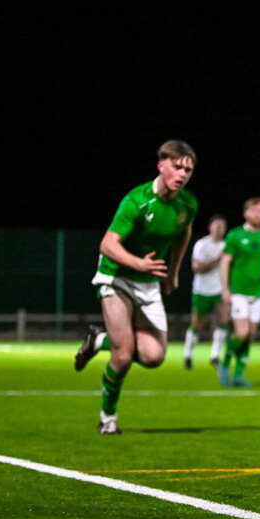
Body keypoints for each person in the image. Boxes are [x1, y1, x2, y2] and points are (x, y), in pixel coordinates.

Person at [73, 140, 198, 434]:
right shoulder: (137, 201)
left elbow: (184, 232)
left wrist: (174, 271)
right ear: (161, 166)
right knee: (124, 354)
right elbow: (107, 244)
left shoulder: (187, 204)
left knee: (154, 357)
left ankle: (97, 339)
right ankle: (108, 418)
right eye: (177, 167)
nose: (182, 174)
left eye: (188, 169)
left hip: (148, 283)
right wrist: (137, 263)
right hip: (115, 277)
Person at [218, 197, 260, 387]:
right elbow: (225, 262)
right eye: (254, 211)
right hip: (239, 292)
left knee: (250, 335)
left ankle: (238, 375)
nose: (258, 214)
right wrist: (225, 289)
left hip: (259, 293)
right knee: (242, 333)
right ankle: (225, 361)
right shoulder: (235, 235)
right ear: (246, 213)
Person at [183, 214, 230, 370]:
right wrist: (217, 260)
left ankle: (215, 356)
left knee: (223, 322)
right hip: (201, 290)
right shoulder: (201, 244)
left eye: (222, 226)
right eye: (216, 225)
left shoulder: (227, 245)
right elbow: (197, 267)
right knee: (197, 324)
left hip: (220, 290)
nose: (219, 229)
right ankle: (188, 355)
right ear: (210, 227)